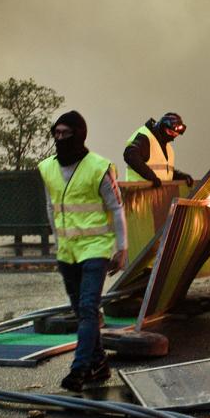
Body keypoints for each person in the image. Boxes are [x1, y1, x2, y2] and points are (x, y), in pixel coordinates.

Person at [41, 111, 128, 392]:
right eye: (57, 133)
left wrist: (122, 247)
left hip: (95, 248)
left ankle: (78, 370)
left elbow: (116, 208)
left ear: (79, 134)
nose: (60, 138)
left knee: (89, 308)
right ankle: (100, 363)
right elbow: (50, 207)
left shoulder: (99, 167)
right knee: (81, 311)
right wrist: (57, 241)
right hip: (67, 251)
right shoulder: (47, 168)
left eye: (66, 133)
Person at [122, 112, 193, 188]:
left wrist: (180, 176)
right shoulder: (145, 137)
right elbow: (130, 155)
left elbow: (164, 172)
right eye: (170, 132)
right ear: (161, 127)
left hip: (156, 194)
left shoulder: (166, 146)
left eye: (175, 135)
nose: (172, 137)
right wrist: (151, 177)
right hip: (139, 193)